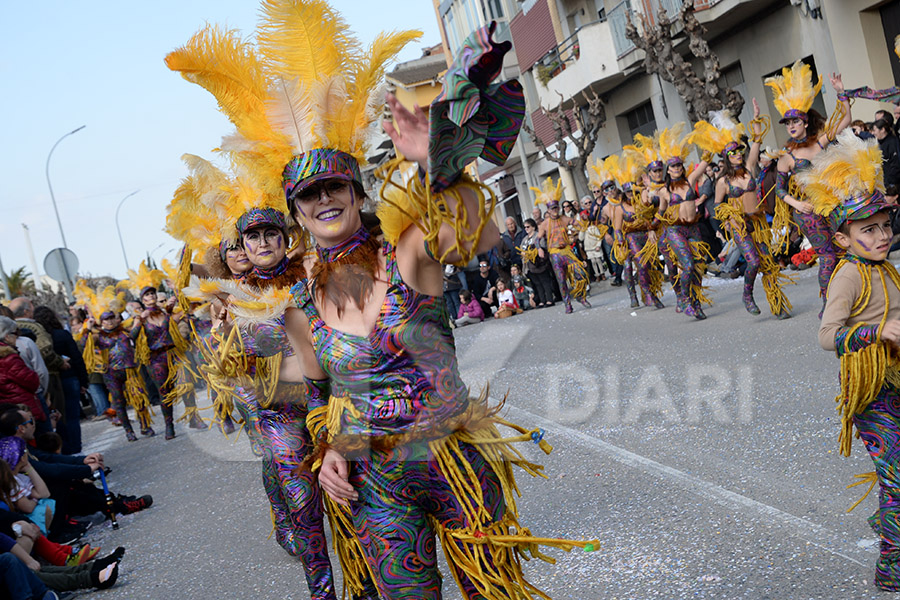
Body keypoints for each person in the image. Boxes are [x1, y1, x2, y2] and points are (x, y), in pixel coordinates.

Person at [809, 130, 900, 592]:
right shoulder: (847, 275)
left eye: (885, 226)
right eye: (869, 229)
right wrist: (875, 332)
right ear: (844, 239)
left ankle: (889, 517)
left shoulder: (886, 268)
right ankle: (891, 569)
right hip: (871, 394)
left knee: (898, 483)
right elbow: (828, 336)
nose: (882, 236)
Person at [694, 105, 794, 319]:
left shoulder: (749, 168)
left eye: (739, 150)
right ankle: (747, 294)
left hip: (758, 223)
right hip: (741, 226)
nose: (738, 155)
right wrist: (729, 215)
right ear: (726, 156)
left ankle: (777, 304)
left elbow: (757, 142)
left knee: (768, 265)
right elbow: (717, 206)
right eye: (733, 153)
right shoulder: (722, 181)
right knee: (754, 262)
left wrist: (756, 118)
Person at [769, 61, 851, 314]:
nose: (791, 126)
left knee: (843, 250)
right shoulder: (787, 157)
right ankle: (828, 306)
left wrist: (841, 93)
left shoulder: (819, 144)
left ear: (805, 122)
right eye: (787, 123)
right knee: (827, 255)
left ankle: (845, 299)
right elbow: (780, 190)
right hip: (807, 211)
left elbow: (845, 120)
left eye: (795, 121)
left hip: (832, 205)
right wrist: (797, 204)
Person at [655, 123, 711, 319]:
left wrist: (707, 140)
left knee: (698, 267)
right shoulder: (664, 190)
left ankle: (695, 301)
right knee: (686, 264)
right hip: (675, 230)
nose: (677, 168)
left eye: (679, 165)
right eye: (673, 166)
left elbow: (705, 161)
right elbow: (661, 211)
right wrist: (655, 228)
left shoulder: (691, 180)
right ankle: (684, 298)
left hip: (693, 228)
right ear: (668, 170)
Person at [32, 307, 87, 455]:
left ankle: (62, 449)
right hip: (69, 378)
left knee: (57, 417)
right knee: (72, 417)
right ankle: (76, 449)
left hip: (50, 382)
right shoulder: (62, 334)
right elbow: (76, 357)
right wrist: (83, 381)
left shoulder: (36, 339)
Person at [535, 178, 592, 314]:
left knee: (580, 273)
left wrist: (580, 224)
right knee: (561, 280)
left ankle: (580, 295)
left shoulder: (565, 219)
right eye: (552, 208)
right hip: (555, 254)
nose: (555, 210)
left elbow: (579, 225)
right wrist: (539, 249)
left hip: (567, 251)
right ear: (548, 210)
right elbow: (537, 239)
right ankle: (567, 304)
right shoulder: (544, 224)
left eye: (556, 207)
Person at [8, 300, 65, 421]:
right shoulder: (31, 332)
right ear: (26, 311)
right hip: (44, 381)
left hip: (14, 400)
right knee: (57, 420)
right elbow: (46, 352)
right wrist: (61, 363)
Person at [0, 317, 45, 423]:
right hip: (23, 408)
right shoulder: (8, 357)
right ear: (7, 336)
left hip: (7, 410)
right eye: (15, 333)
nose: (18, 337)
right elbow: (32, 381)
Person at [520, 218, 555, 307]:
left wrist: (533, 251)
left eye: (528, 227)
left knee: (545, 282)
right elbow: (521, 249)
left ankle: (549, 299)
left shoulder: (537, 236)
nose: (526, 229)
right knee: (537, 284)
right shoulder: (525, 239)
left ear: (533, 227)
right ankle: (542, 300)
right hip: (529, 265)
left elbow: (543, 246)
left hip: (539, 264)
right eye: (525, 227)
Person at [874, 118, 900, 188]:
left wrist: (890, 181)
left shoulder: (892, 142)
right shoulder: (881, 143)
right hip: (886, 181)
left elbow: (895, 163)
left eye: (875, 130)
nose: (873, 133)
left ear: (882, 129)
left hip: (892, 182)